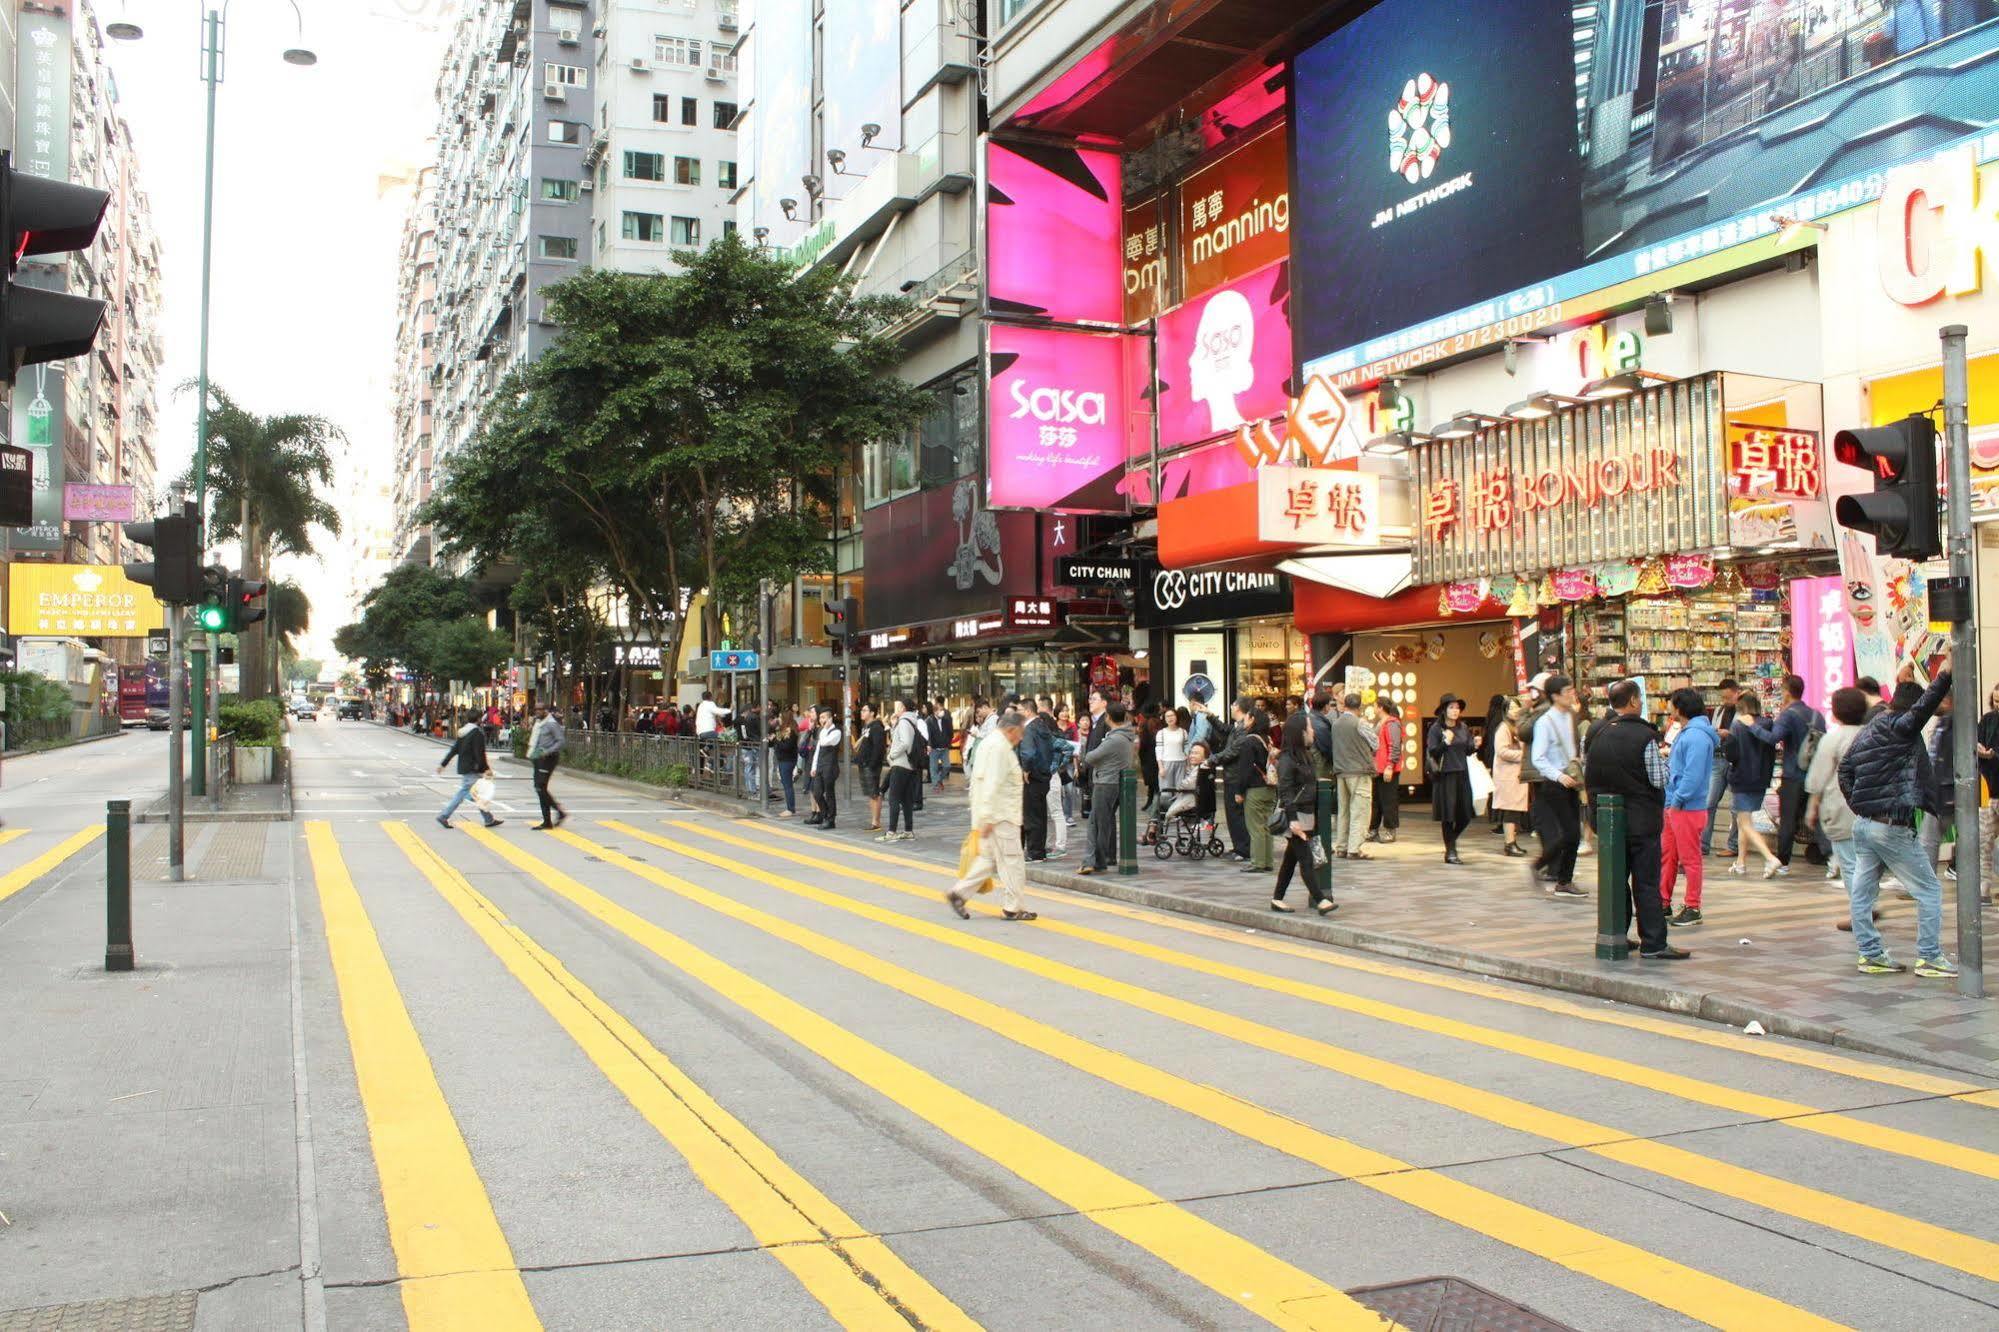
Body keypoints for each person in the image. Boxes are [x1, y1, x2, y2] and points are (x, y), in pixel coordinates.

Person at [1840, 663, 1956, 977]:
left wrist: (1862, 806)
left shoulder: (1871, 728)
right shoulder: (1901, 727)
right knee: (1929, 890)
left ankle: (1871, 954)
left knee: (1863, 894)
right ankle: (1930, 957)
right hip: (1891, 825)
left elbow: (1845, 770)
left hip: (1865, 825)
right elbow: (1923, 707)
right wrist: (1944, 675)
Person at [1586, 679, 1687, 959]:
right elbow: (1658, 779)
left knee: (1616, 881)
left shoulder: (1598, 732)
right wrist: (1666, 760)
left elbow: (1590, 775)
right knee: (1645, 882)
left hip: (1607, 822)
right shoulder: (1644, 737)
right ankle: (1653, 942)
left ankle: (1617, 934)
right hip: (1641, 821)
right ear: (1632, 701)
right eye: (1639, 698)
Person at [946, 710, 1036, 922]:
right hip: (1001, 815)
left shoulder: (989, 743)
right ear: (1011, 729)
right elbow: (992, 785)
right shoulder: (1000, 748)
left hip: (990, 815)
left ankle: (959, 894)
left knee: (987, 859)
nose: (1021, 738)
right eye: (1020, 733)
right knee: (1012, 861)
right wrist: (988, 817)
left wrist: (983, 817)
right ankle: (1014, 907)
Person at [1661, 688, 1720, 924]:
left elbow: (1692, 776)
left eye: (1672, 704)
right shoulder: (1690, 733)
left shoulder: (1695, 736)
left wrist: (1677, 800)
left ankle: (1693, 906)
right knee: (1669, 856)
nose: (1669, 708)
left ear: (1680, 708)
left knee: (1690, 859)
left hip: (1686, 807)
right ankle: (1662, 901)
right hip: (1676, 804)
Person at [1806, 686, 1867, 910]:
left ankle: (1861, 912)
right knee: (1867, 864)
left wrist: (1812, 808)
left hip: (1841, 808)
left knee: (1850, 865)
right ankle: (1867, 905)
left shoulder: (1832, 740)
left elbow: (1818, 779)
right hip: (1872, 809)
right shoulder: (1872, 734)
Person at [1270, 712, 1337, 915]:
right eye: (1309, 727)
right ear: (1300, 732)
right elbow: (1286, 791)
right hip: (1297, 816)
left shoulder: (1305, 755)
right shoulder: (1288, 760)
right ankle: (1321, 900)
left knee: (1291, 860)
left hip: (1307, 814)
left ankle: (1277, 898)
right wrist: (1292, 820)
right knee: (1306, 859)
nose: (1312, 731)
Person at [1529, 676, 1585, 898]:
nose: (1572, 693)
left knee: (1574, 833)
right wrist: (1559, 776)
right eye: (1567, 691)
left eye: (1572, 689)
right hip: (1555, 783)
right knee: (1571, 832)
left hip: (1571, 780)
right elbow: (1538, 758)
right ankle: (1555, 874)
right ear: (1554, 696)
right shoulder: (1545, 722)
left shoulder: (1570, 716)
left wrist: (1576, 763)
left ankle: (1562, 879)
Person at [1724, 694, 1781, 878]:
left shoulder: (1738, 725)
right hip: (1761, 779)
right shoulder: (1768, 724)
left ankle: (1770, 857)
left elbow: (1731, 754)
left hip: (1742, 778)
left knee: (1745, 823)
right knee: (1743, 821)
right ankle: (1740, 862)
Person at [1770, 674, 1822, 872]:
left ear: (1787, 692)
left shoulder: (1789, 714)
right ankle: (1825, 854)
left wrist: (1753, 727)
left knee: (1788, 819)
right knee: (1815, 816)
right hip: (1814, 773)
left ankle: (1783, 861)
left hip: (1793, 774)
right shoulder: (1816, 715)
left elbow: (1773, 737)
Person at [1077, 703, 1134, 875]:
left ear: (1108, 717)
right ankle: (1100, 861)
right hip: (1116, 783)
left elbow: (1090, 757)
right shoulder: (1126, 736)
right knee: (1103, 823)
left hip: (1105, 783)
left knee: (1095, 823)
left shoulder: (1114, 739)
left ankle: (1090, 861)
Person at [1427, 696, 1477, 865]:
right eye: (1451, 707)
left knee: (1466, 814)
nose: (1455, 711)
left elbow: (1468, 750)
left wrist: (1476, 744)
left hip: (1462, 774)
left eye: (1457, 708)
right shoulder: (1436, 729)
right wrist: (1446, 742)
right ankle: (1451, 851)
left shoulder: (1463, 727)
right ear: (1444, 710)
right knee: (1448, 815)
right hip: (1445, 775)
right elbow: (1433, 752)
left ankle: (1450, 842)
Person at [1226, 704, 1275, 873]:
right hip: (1269, 787)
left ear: (1252, 719)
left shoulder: (1249, 741)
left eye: (1246, 717)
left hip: (1255, 789)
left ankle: (1258, 862)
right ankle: (1268, 861)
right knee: (1267, 826)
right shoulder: (1266, 739)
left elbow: (1245, 769)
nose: (1243, 720)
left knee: (1255, 827)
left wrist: (1239, 791)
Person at [1329, 693, 1377, 859]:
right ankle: (1354, 849)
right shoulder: (1360, 723)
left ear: (1345, 705)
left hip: (1341, 771)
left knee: (1343, 810)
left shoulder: (1335, 724)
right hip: (1359, 771)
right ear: (1360, 707)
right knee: (1360, 810)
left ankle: (1341, 846)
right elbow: (1375, 742)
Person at [435, 721, 502, 829]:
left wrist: (443, 764)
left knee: (477, 795)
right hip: (472, 768)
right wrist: (485, 768)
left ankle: (488, 819)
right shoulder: (477, 733)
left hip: (465, 768)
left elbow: (454, 750)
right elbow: (479, 753)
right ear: (478, 720)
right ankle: (444, 816)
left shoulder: (463, 732)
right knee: (466, 794)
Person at [1701, 680, 1741, 857]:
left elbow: (1745, 734)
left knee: (1736, 807)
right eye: (1722, 697)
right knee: (1709, 803)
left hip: (1735, 760)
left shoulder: (1744, 711)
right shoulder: (1719, 710)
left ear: (1736, 693)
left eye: (1727, 696)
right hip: (1717, 759)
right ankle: (1703, 845)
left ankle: (1733, 846)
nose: (1725, 700)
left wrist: (1729, 733)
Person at [1488, 697, 1531, 857]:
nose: (1514, 711)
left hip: (1515, 775)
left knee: (1514, 810)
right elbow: (1502, 751)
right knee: (1510, 811)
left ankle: (1512, 842)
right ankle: (1509, 843)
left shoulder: (1516, 727)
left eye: (1516, 708)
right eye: (1511, 708)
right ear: (1505, 711)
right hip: (1508, 776)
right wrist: (1523, 755)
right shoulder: (1503, 728)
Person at [1019, 700, 1059, 862]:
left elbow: (1027, 753)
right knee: (1040, 815)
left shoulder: (1029, 729)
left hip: (1033, 776)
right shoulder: (1042, 726)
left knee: (1031, 816)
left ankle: (1034, 852)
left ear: (1028, 711)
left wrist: (1026, 769)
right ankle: (1039, 850)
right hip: (1044, 775)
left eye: (1020, 710)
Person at [883, 699, 923, 842]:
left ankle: (891, 831)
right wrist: (894, 725)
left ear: (904, 708)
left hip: (900, 764)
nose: (896, 709)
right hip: (909, 765)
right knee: (906, 800)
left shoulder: (905, 722)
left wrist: (892, 755)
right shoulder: (910, 721)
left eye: (898, 706)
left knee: (894, 798)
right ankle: (908, 830)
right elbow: (899, 739)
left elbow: (905, 742)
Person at [526, 703, 567, 830]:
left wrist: (548, 751)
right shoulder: (538, 723)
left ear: (546, 711)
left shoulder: (551, 724)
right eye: (536, 709)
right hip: (538, 758)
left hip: (548, 759)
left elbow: (561, 741)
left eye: (540, 709)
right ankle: (553, 817)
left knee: (540, 787)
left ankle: (551, 818)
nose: (537, 711)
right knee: (539, 788)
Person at [1367, 700, 1403, 843]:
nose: (1374, 708)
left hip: (1387, 768)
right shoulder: (1380, 722)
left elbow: (1394, 746)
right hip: (1377, 768)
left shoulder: (1392, 723)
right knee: (1376, 800)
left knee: (1389, 800)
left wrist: (1390, 766)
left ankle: (1390, 830)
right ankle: (1373, 829)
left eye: (1375, 705)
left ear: (1381, 707)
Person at [1978, 683, 1999, 895]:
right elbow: (1975, 740)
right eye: (1995, 701)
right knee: (1985, 842)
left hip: (1993, 786)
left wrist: (1993, 754)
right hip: (1988, 788)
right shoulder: (1987, 720)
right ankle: (1984, 887)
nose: (1997, 705)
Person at [809, 704, 843, 830]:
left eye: (824, 718)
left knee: (829, 793)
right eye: (821, 718)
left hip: (830, 767)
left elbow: (825, 742)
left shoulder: (837, 731)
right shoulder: (822, 731)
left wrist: (826, 728)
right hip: (820, 766)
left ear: (830, 719)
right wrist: (814, 766)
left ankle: (830, 819)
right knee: (817, 793)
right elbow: (818, 750)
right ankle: (826, 814)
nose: (822, 720)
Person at [854, 703, 887, 831]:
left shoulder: (876, 727)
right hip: (864, 763)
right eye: (862, 710)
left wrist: (872, 764)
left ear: (872, 713)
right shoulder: (866, 727)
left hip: (871, 765)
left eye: (865, 710)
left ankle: (876, 822)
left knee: (874, 793)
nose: (862, 712)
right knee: (870, 793)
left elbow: (879, 748)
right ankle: (873, 820)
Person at [1155, 707, 1190, 828]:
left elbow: (1186, 749)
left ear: (1177, 717)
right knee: (1165, 792)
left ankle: (1179, 816)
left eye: (1172, 716)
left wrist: (1188, 763)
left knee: (1180, 791)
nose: (1170, 718)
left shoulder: (1183, 732)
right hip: (1166, 763)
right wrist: (1161, 767)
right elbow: (1158, 750)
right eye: (1167, 716)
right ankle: (1166, 816)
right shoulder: (1161, 733)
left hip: (1181, 763)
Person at [694, 690, 731, 774]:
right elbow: (718, 711)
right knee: (723, 736)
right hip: (708, 731)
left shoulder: (701, 705)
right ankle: (706, 751)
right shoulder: (710, 704)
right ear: (710, 697)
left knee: (716, 746)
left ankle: (709, 763)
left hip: (700, 732)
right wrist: (730, 709)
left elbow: (717, 714)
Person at [772, 706, 800, 818]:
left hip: (787, 760)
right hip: (784, 759)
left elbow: (786, 746)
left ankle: (790, 809)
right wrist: (776, 735)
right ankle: (790, 807)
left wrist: (775, 739)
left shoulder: (791, 731)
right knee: (786, 783)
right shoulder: (783, 729)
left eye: (780, 717)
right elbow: (779, 741)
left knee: (787, 785)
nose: (778, 718)